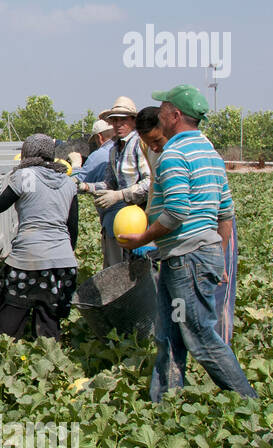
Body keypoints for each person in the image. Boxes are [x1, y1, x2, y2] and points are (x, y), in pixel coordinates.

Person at [116, 85, 256, 403]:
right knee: (168, 334)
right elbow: (226, 212)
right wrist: (218, 258)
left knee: (200, 336)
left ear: (175, 116)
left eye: (163, 108)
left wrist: (144, 237)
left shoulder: (174, 155)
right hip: (189, 257)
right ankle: (163, 401)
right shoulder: (210, 154)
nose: (159, 113)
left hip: (186, 259)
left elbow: (177, 210)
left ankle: (249, 403)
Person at [136, 105, 238, 343]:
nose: (153, 147)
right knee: (178, 311)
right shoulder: (154, 149)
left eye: (156, 140)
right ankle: (189, 354)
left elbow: (185, 210)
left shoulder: (195, 150)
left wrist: (220, 254)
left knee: (217, 298)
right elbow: (157, 193)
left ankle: (219, 351)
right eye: (147, 142)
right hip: (180, 238)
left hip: (213, 231)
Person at [0, 134, 79, 340]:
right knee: (49, 313)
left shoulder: (25, 176)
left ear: (27, 153)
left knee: (12, 310)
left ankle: (5, 345)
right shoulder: (68, 182)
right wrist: (63, 254)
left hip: (30, 255)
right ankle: (49, 353)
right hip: (63, 258)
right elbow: (73, 227)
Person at [79, 96, 150, 268]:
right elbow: (109, 183)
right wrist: (87, 186)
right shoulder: (114, 149)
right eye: (114, 120)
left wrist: (120, 195)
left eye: (123, 120)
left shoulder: (139, 145)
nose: (118, 124)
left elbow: (150, 183)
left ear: (133, 121)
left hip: (140, 218)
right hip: (120, 222)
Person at [72, 118, 114, 184]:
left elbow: (78, 182)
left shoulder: (98, 155)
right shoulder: (120, 149)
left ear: (98, 137)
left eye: (94, 141)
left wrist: (75, 166)